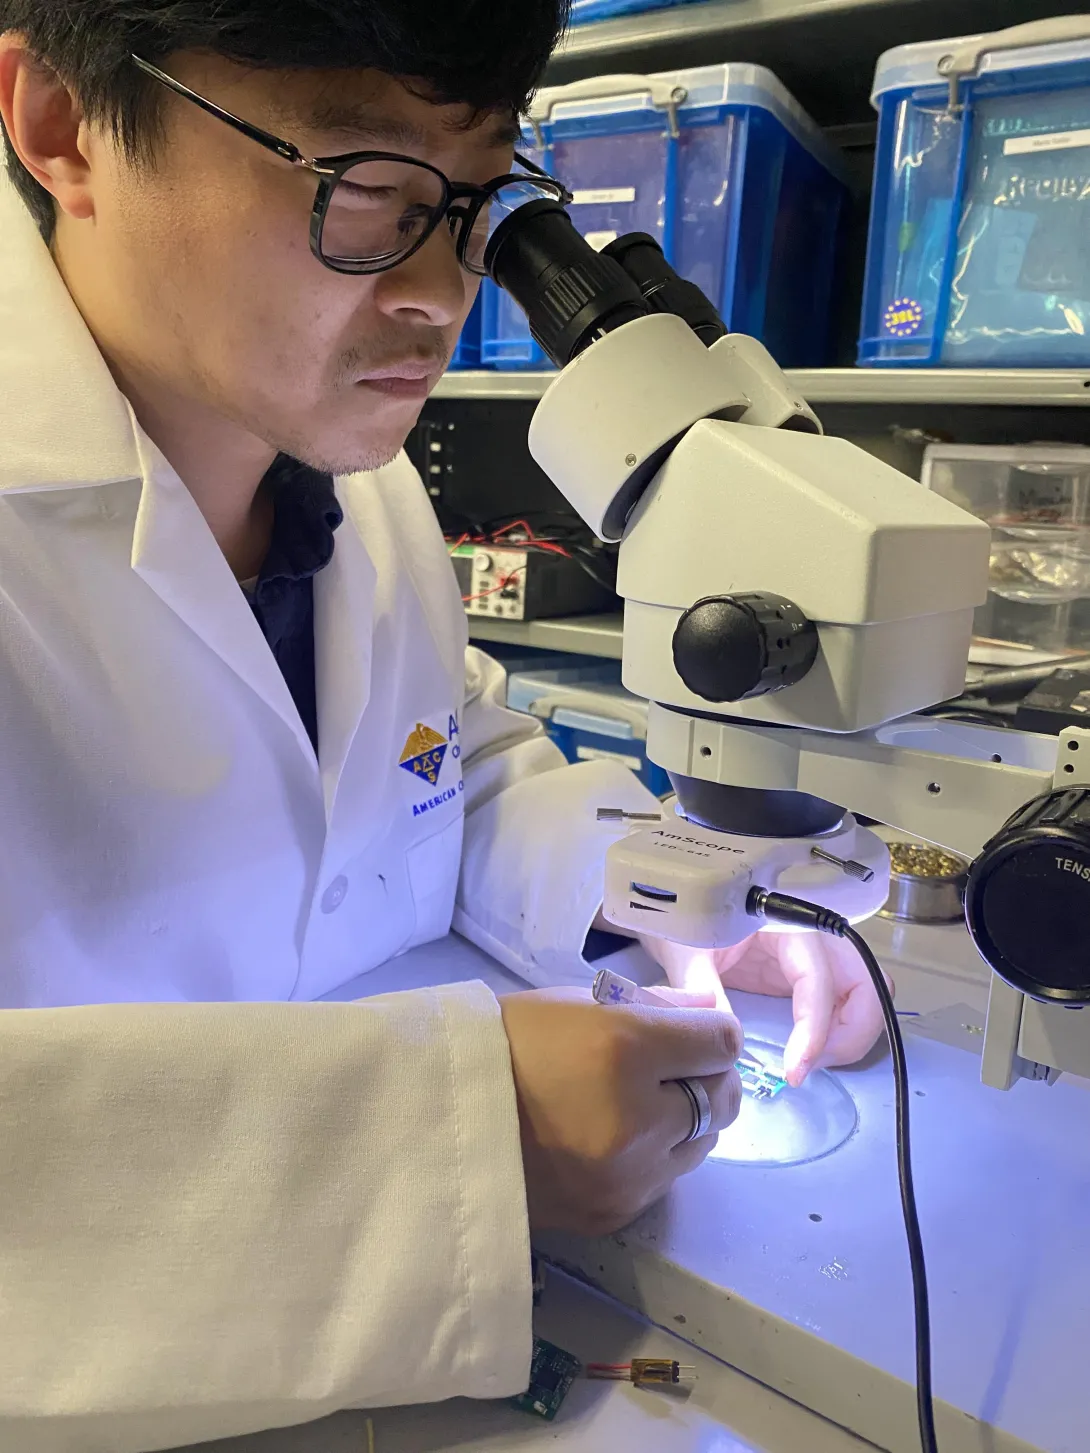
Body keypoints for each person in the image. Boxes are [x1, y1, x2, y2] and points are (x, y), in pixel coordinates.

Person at [0, 4, 887, 1449]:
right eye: (365, 188)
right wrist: (447, 1146)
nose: (439, 293)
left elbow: (442, 761)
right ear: (63, 127)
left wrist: (661, 892)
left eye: (479, 204)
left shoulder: (357, 480)